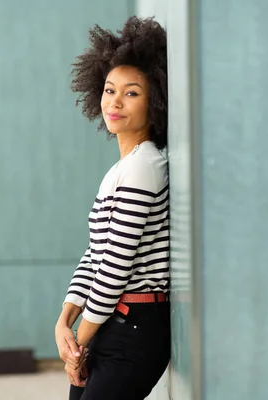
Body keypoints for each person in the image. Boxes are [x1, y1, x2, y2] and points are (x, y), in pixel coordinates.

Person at [54, 16, 170, 400]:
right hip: (109, 322)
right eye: (109, 89)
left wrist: (78, 341)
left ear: (155, 100)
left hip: (134, 330)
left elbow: (117, 265)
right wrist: (65, 319)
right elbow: (95, 254)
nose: (115, 102)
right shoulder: (122, 168)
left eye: (131, 92)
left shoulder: (145, 165)